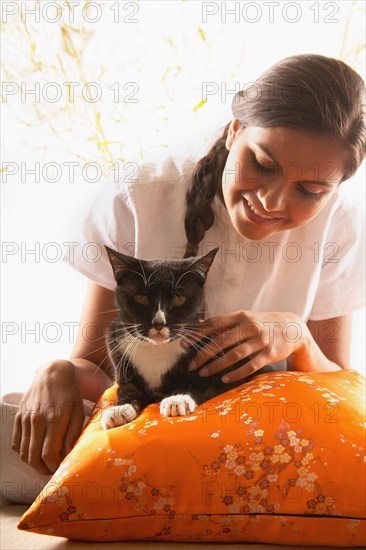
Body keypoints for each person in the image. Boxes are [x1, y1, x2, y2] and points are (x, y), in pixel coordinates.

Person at [1, 53, 365, 504]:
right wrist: (56, 371)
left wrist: (296, 336)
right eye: (263, 165)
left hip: (263, 434)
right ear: (235, 130)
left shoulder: (342, 228)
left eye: (310, 191)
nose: (271, 200)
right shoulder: (140, 194)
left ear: (336, 188)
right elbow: (100, 374)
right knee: (12, 433)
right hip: (153, 422)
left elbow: (340, 395)